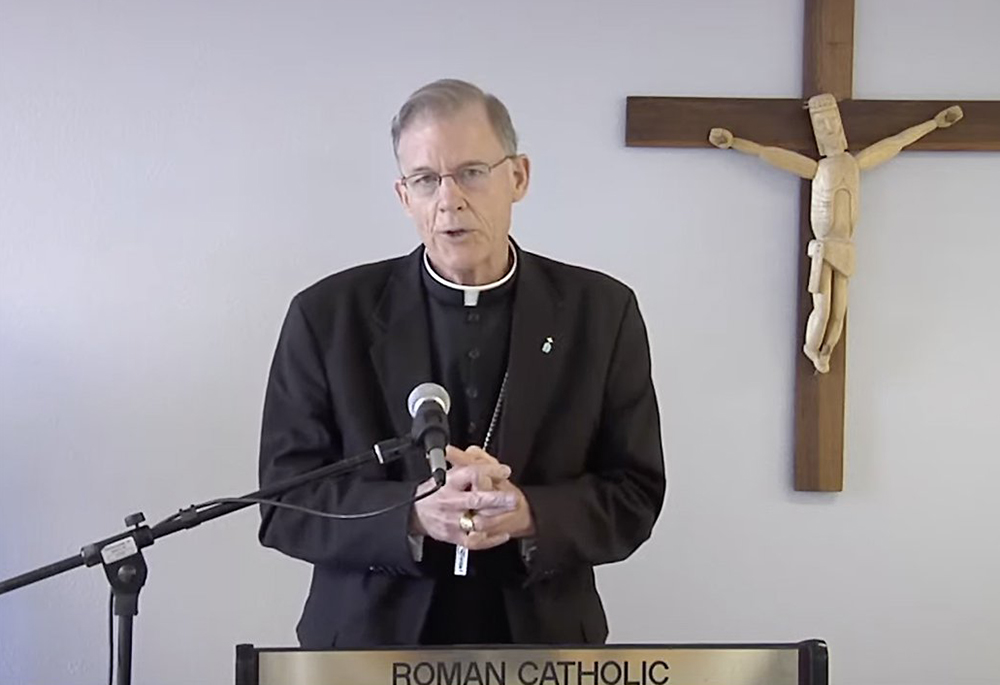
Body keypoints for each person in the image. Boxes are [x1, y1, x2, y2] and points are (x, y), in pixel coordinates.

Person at [258, 79, 665, 649]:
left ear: (518, 177)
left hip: (540, 642)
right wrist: (412, 515)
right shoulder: (328, 317)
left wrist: (528, 513)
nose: (449, 200)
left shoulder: (600, 312)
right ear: (405, 197)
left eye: (472, 172)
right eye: (426, 180)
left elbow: (635, 494)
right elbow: (284, 503)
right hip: (367, 645)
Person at [709, 94, 963, 373]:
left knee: (840, 309)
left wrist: (934, 124)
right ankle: (811, 348)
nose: (830, 130)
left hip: (846, 245)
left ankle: (825, 352)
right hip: (824, 246)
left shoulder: (856, 163)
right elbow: (767, 154)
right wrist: (733, 143)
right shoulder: (817, 168)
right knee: (824, 307)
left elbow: (897, 142)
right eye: (823, 126)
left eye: (833, 124)